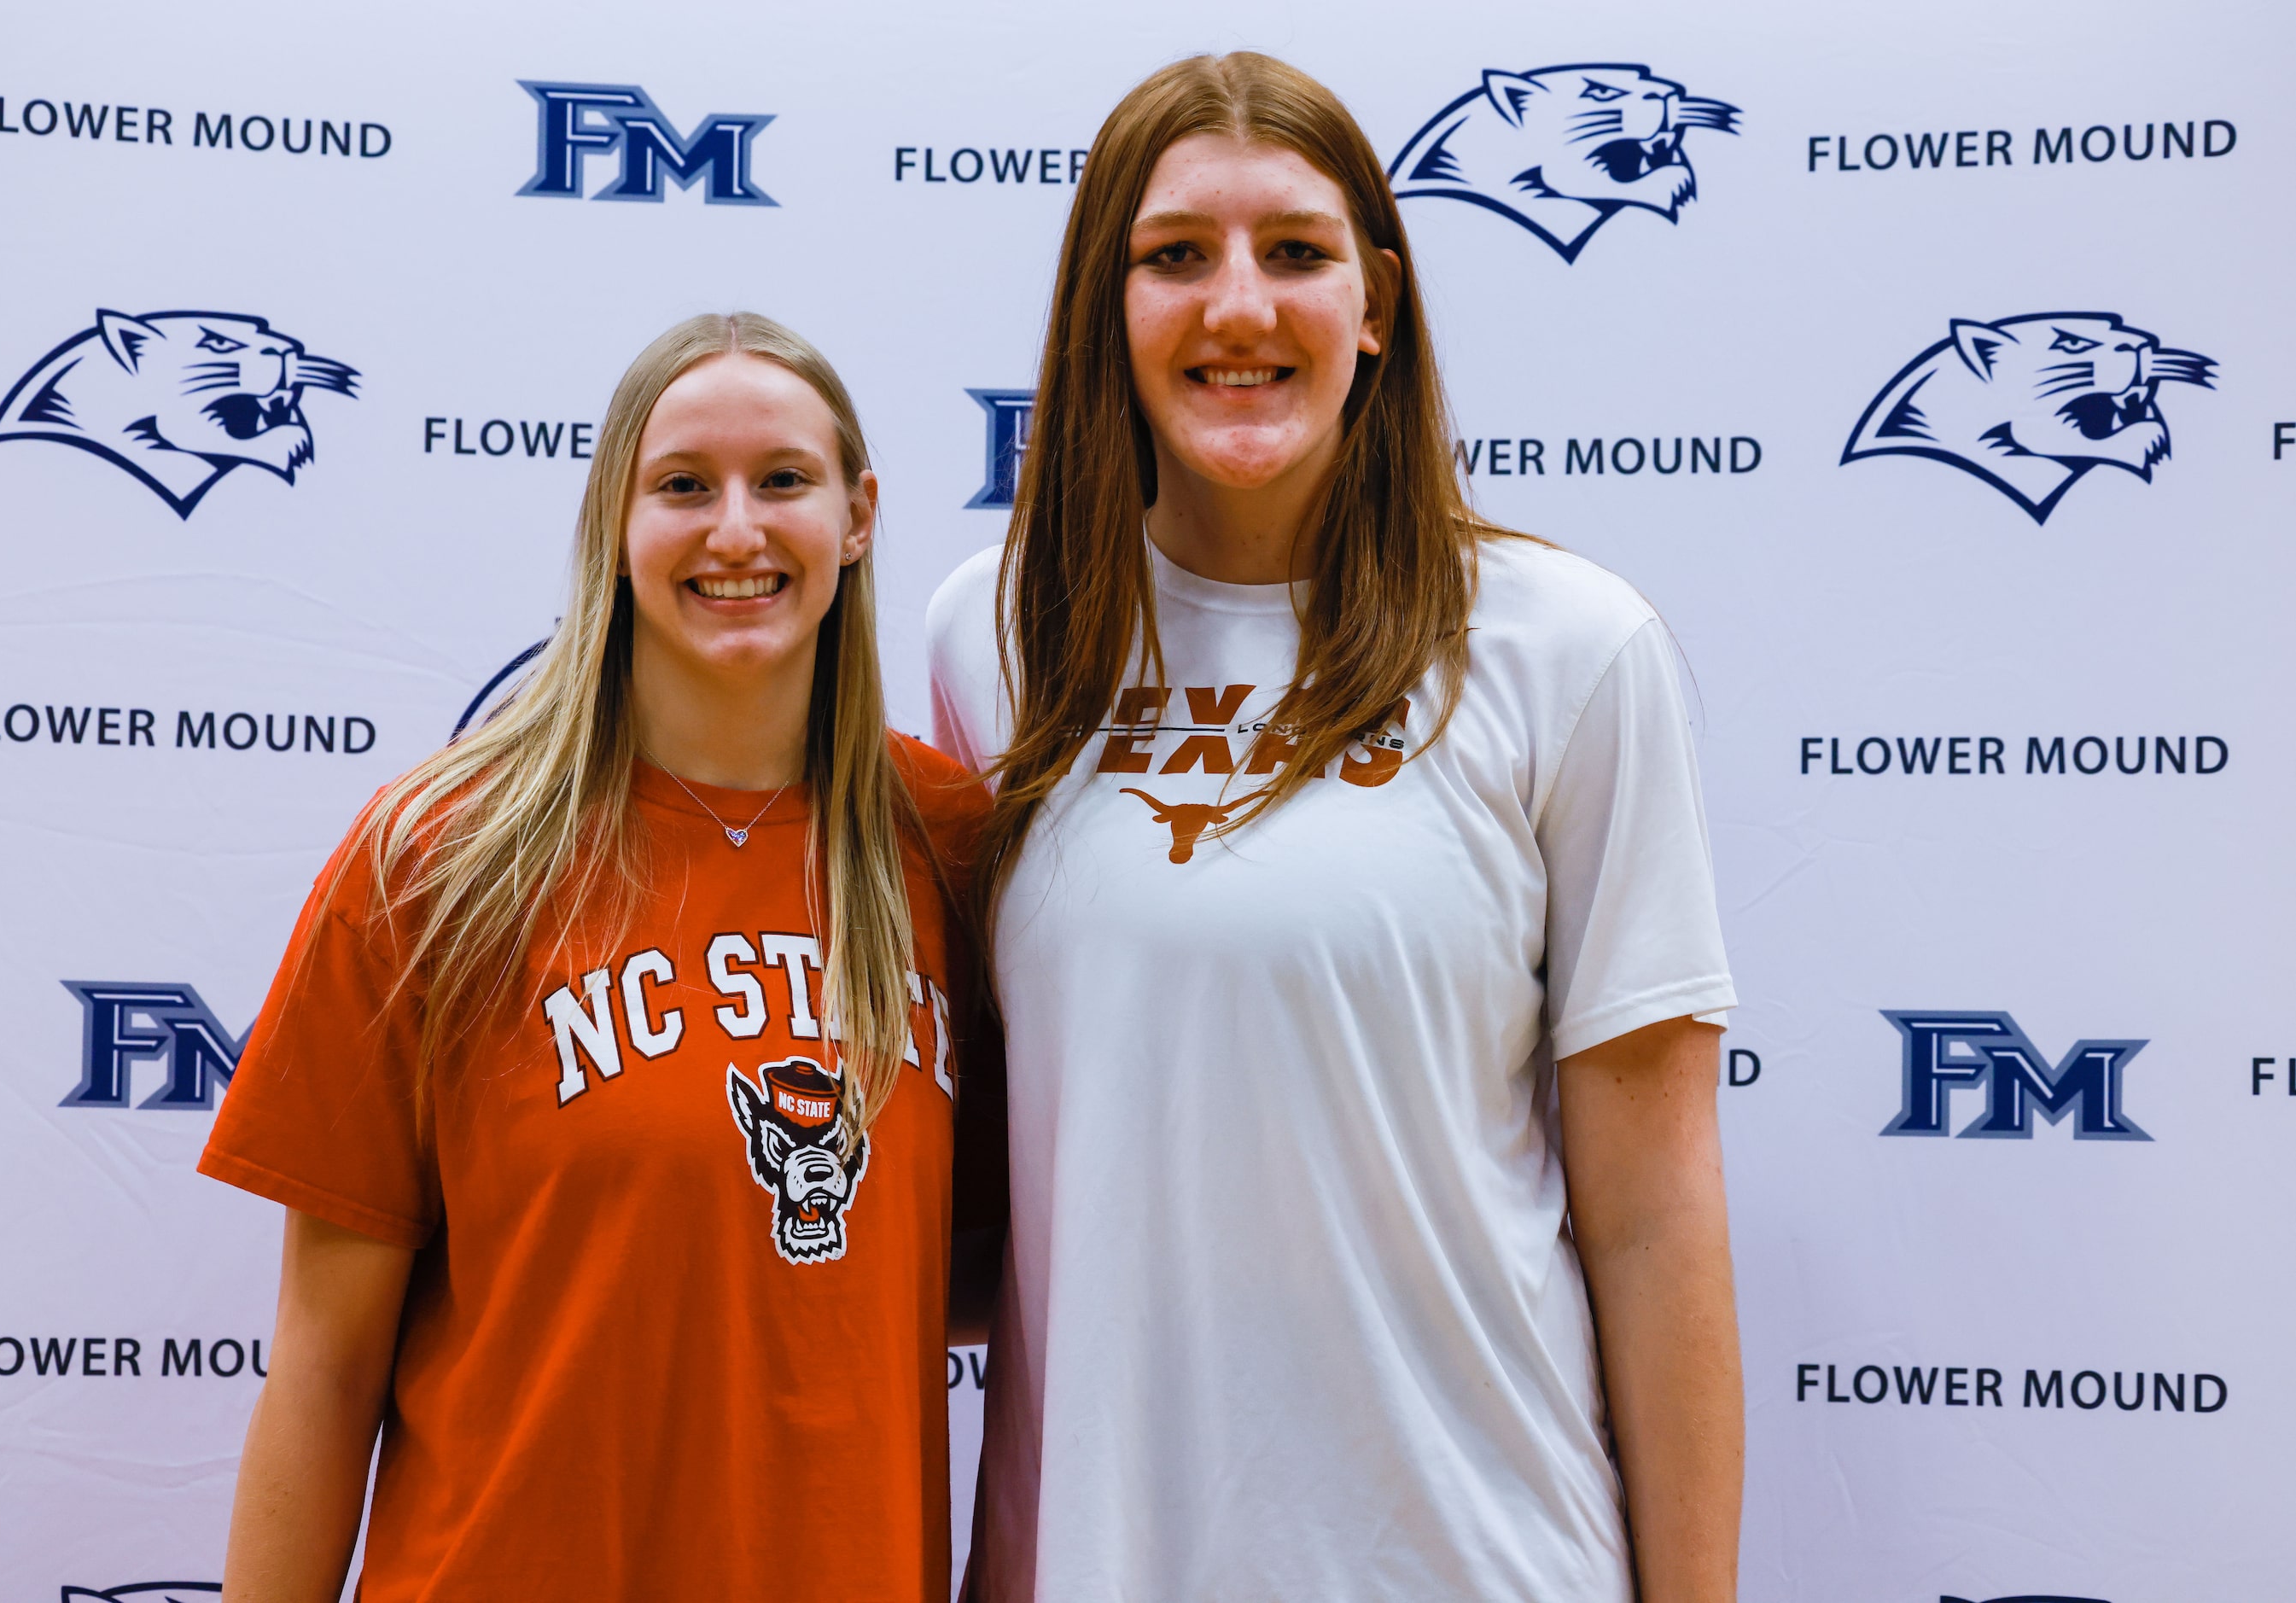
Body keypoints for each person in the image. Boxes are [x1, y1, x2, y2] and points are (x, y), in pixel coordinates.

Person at [929, 54, 1742, 1603]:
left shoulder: (1565, 646)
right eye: (1175, 255)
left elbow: (1654, 1220)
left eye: (1293, 252)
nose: (1238, 306)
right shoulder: (995, 637)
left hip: (1472, 1557)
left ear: (1374, 301)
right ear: (1105, 303)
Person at [202, 312, 997, 1602]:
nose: (734, 529)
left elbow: (990, 1270)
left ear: (856, 515)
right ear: (613, 526)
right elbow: (322, 1359)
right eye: (683, 484)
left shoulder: (954, 854)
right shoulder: (440, 861)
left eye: (782, 480)